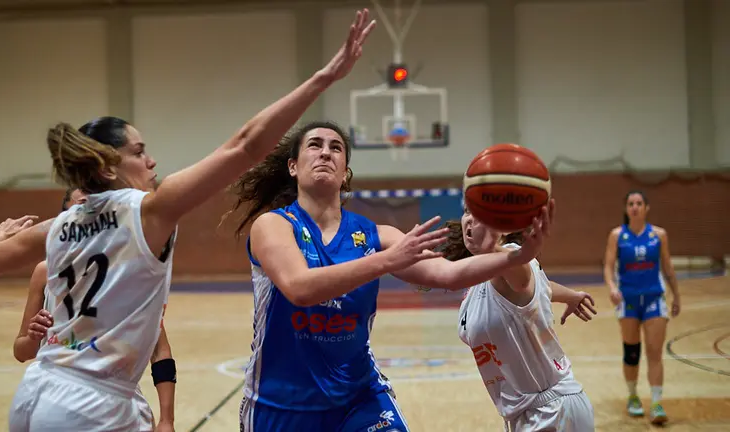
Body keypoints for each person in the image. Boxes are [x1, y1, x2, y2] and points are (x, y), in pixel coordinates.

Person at [0, 9, 378, 431]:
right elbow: (246, 146)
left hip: (37, 391)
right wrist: (323, 78)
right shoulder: (148, 211)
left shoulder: (60, 225)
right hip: (94, 405)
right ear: (108, 166)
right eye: (139, 150)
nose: (151, 160)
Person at [226, 120, 554, 432]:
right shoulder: (273, 226)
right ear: (293, 167)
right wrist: (385, 261)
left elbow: (449, 273)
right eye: (315, 145)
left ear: (345, 174)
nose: (326, 152)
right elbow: (299, 288)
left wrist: (515, 254)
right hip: (280, 403)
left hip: (361, 399)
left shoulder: (376, 236)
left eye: (336, 148)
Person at [12, 188, 175, 432]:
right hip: (58, 391)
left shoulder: (122, 272)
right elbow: (21, 351)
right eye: (78, 208)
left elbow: (160, 350)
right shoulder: (44, 272)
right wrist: (33, 337)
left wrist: (166, 419)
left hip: (114, 392)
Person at [440, 207, 596, 431]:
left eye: (481, 213)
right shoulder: (478, 280)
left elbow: (522, 282)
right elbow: (540, 287)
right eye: (467, 211)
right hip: (524, 416)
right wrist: (570, 296)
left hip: (555, 412)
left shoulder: (512, 257)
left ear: (503, 229)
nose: (470, 219)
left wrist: (491, 249)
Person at [603, 190, 680, 425]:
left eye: (638, 203)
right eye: (630, 203)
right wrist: (612, 287)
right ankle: (633, 396)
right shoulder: (617, 235)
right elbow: (608, 266)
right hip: (628, 300)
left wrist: (676, 295)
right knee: (632, 352)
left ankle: (656, 403)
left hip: (654, 299)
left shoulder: (659, 235)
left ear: (646, 208)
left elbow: (667, 266)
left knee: (655, 352)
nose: (634, 207)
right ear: (626, 209)